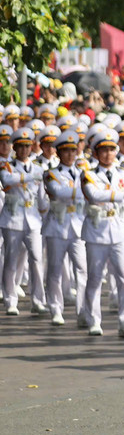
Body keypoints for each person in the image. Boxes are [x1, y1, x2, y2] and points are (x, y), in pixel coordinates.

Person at [80, 125, 124, 338]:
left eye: (112, 149)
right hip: (97, 231)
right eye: (103, 150)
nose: (108, 154)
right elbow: (94, 194)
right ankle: (94, 319)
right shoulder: (87, 174)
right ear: (95, 153)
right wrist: (120, 194)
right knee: (95, 277)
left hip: (119, 229)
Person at [42, 129, 88, 327]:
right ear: (58, 153)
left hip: (78, 226)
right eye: (65, 151)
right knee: (55, 269)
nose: (70, 155)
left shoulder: (84, 174)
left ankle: (82, 310)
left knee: (82, 269)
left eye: (72, 150)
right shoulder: (50, 174)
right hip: (57, 226)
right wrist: (84, 191)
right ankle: (55, 308)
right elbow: (57, 191)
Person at [1, 125, 47, 316]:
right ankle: (10, 299)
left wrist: (45, 214)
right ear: (15, 148)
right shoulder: (7, 167)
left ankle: (38, 300)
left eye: (27, 146)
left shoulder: (38, 168)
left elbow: (42, 196)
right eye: (20, 146)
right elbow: (7, 180)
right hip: (12, 219)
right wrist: (29, 177)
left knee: (36, 259)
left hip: (33, 219)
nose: (24, 150)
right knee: (11, 261)